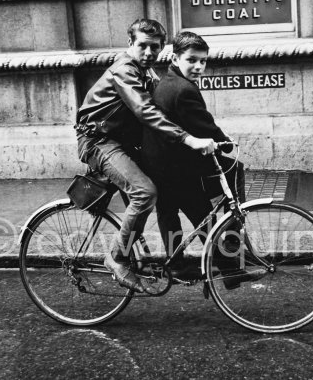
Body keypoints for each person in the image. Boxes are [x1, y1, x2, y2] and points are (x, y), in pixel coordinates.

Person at [75, 19, 215, 294]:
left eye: (155, 47)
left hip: (124, 143)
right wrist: (188, 138)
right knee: (144, 192)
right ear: (130, 44)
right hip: (99, 141)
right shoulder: (124, 70)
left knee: (164, 190)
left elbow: (162, 109)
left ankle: (174, 263)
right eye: (143, 45)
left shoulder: (147, 72)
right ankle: (117, 258)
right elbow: (145, 112)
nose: (149, 51)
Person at [142, 31, 254, 288]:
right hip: (173, 167)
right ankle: (231, 252)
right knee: (233, 171)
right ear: (176, 57)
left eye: (203, 61)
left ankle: (181, 263)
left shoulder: (169, 81)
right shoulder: (183, 90)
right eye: (192, 60)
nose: (199, 67)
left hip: (159, 162)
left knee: (176, 213)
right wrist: (224, 142)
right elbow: (205, 126)